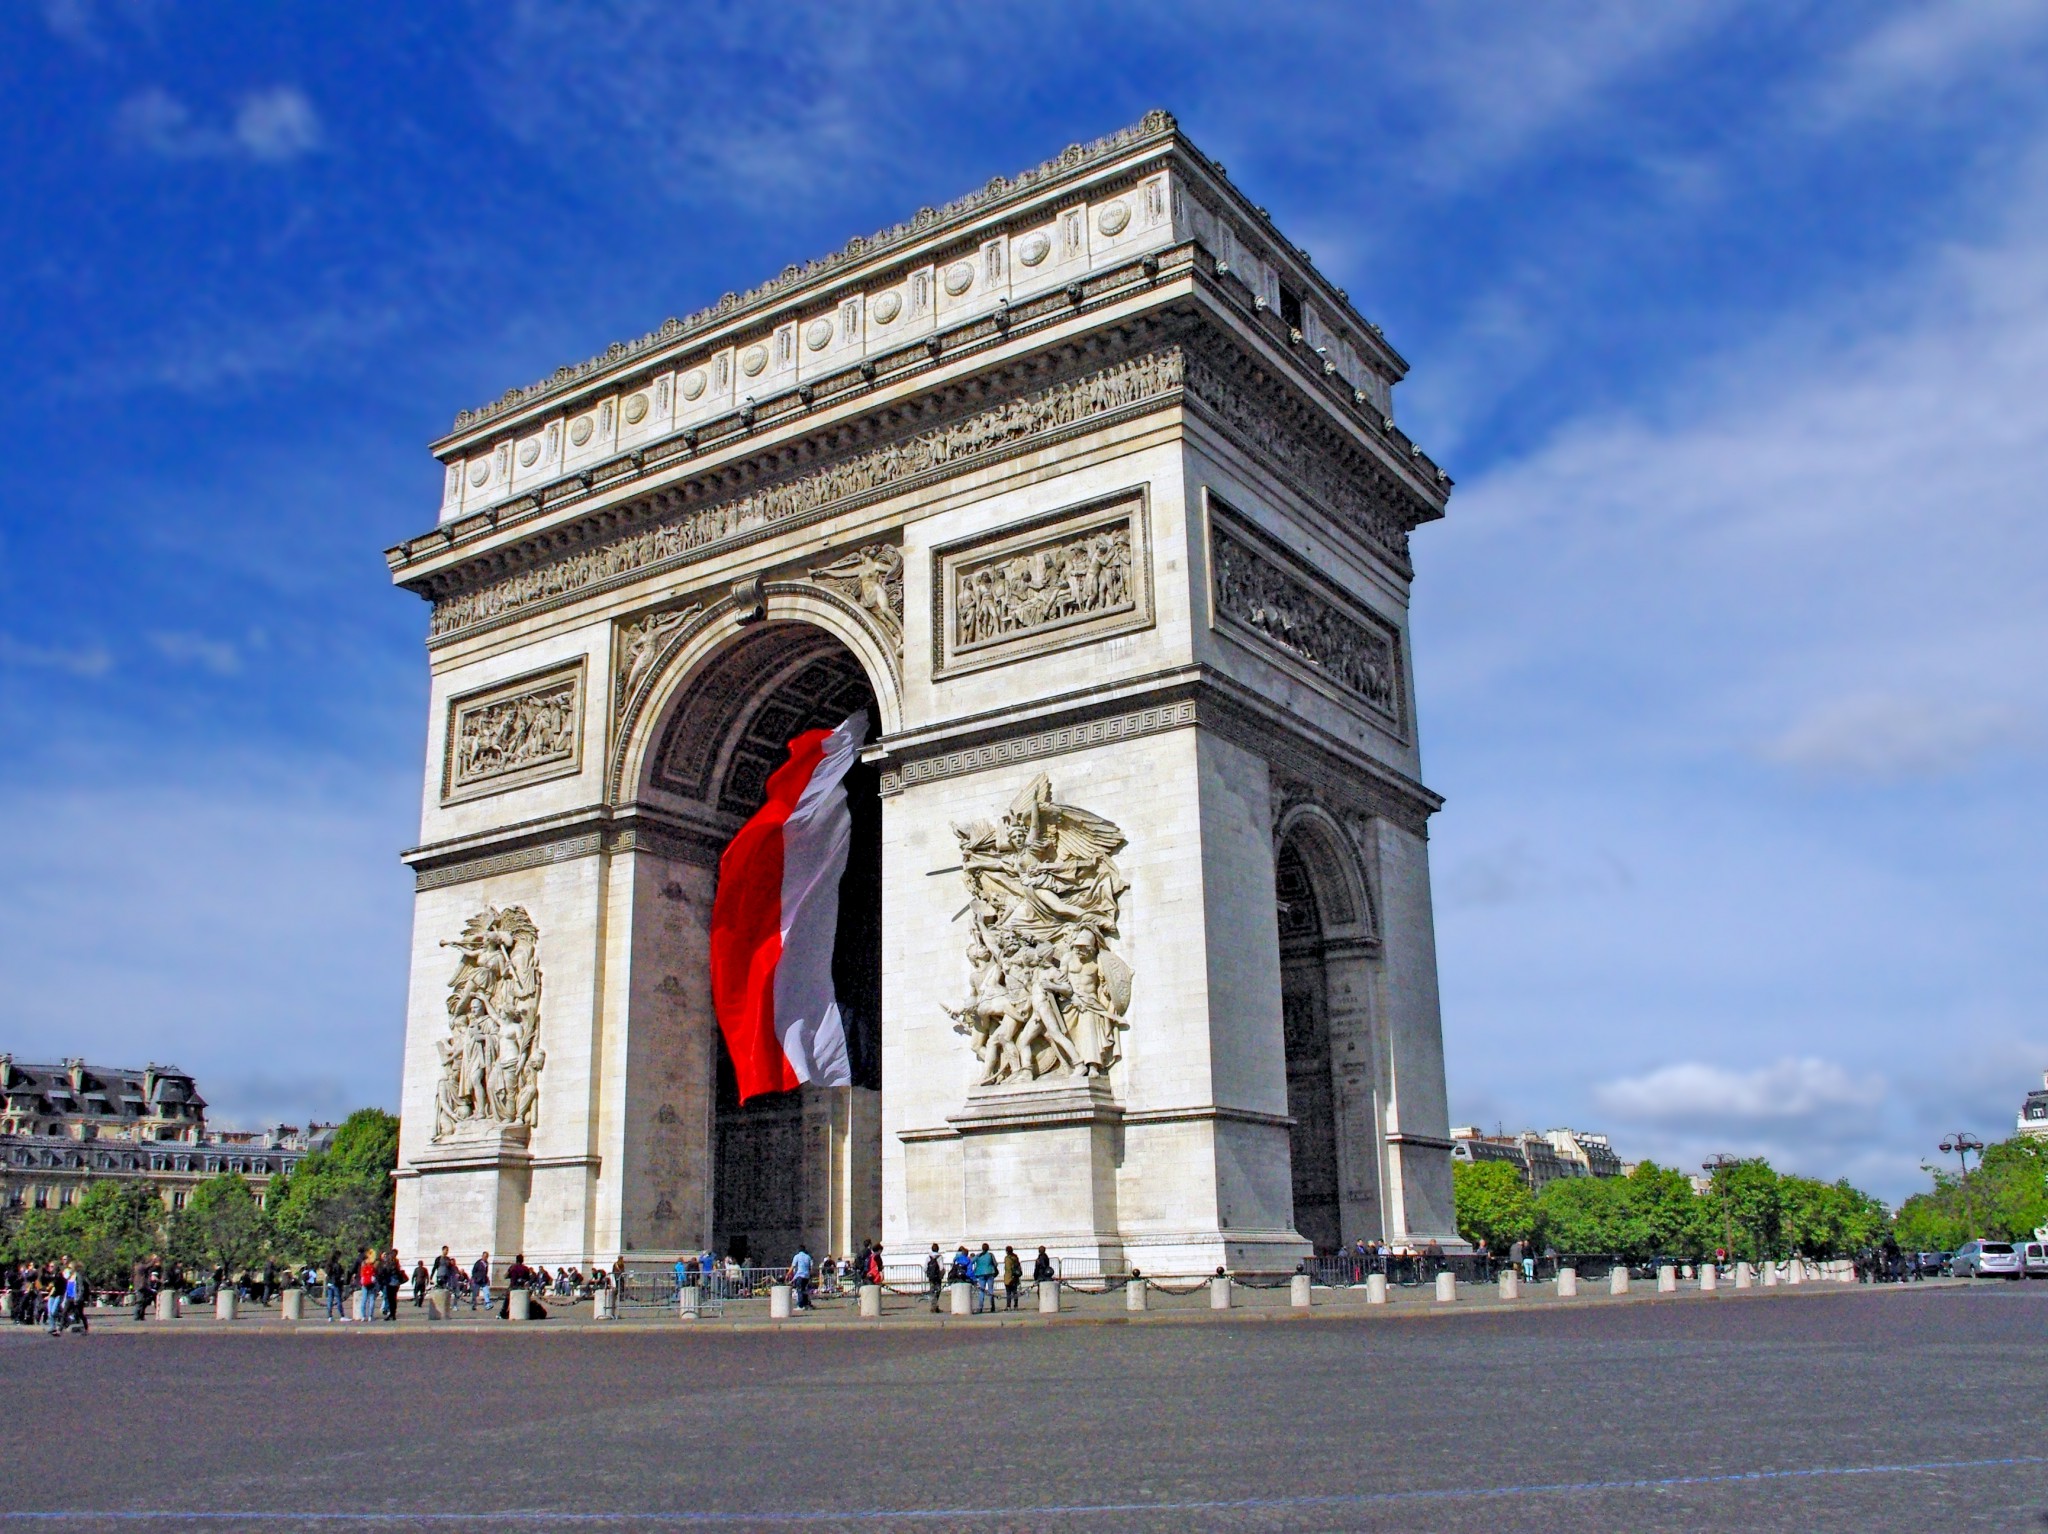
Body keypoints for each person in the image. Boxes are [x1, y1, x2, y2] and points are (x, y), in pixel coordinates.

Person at [972, 1244, 997, 1314]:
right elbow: (996, 1264)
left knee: (981, 1291)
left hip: (980, 1274)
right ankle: (992, 1306)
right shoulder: (990, 1255)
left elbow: (971, 1261)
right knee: (990, 1290)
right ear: (988, 1248)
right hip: (990, 1272)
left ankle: (980, 1307)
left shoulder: (978, 1255)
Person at [788, 1244, 814, 1310]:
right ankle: (806, 1304)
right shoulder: (808, 1257)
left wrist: (788, 1274)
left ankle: (800, 1305)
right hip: (806, 1275)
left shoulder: (797, 1256)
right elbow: (811, 1267)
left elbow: (793, 1266)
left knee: (799, 1290)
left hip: (799, 1275)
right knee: (805, 1290)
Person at [925, 1244, 945, 1313]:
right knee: (937, 1291)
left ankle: (933, 1306)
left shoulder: (928, 1257)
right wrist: (942, 1274)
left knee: (932, 1291)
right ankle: (934, 1307)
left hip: (931, 1277)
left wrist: (928, 1274)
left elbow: (925, 1268)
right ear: (938, 1249)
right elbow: (941, 1267)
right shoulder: (940, 1257)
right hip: (937, 1277)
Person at [1001, 1245, 1022, 1310]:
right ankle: (1016, 1306)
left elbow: (1007, 1268)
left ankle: (1008, 1306)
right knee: (1015, 1292)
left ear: (1007, 1251)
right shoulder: (1015, 1257)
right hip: (1015, 1277)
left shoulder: (1007, 1258)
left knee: (1008, 1292)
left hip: (1009, 1277)